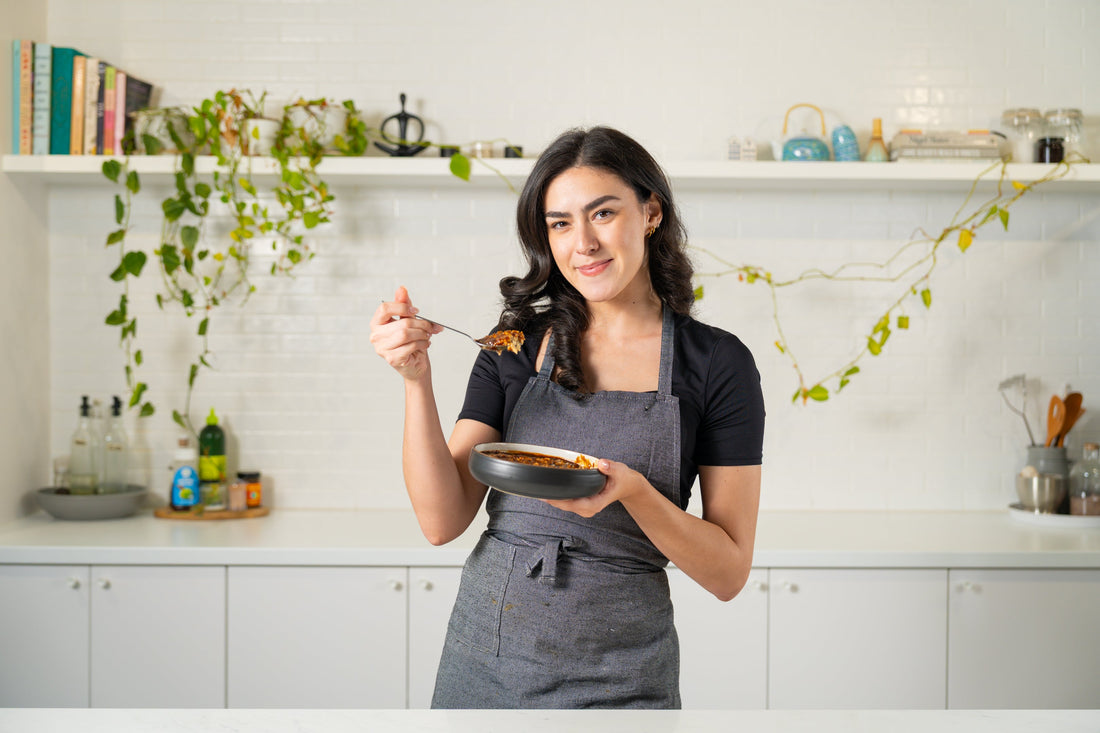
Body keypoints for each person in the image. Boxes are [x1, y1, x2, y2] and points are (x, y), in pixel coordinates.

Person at [370, 126, 765, 709]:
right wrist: (415, 380)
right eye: (560, 223)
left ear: (651, 212)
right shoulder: (516, 345)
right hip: (487, 656)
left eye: (602, 213)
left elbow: (728, 573)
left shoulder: (715, 362)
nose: (583, 242)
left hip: (625, 676)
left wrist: (632, 492)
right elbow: (441, 518)